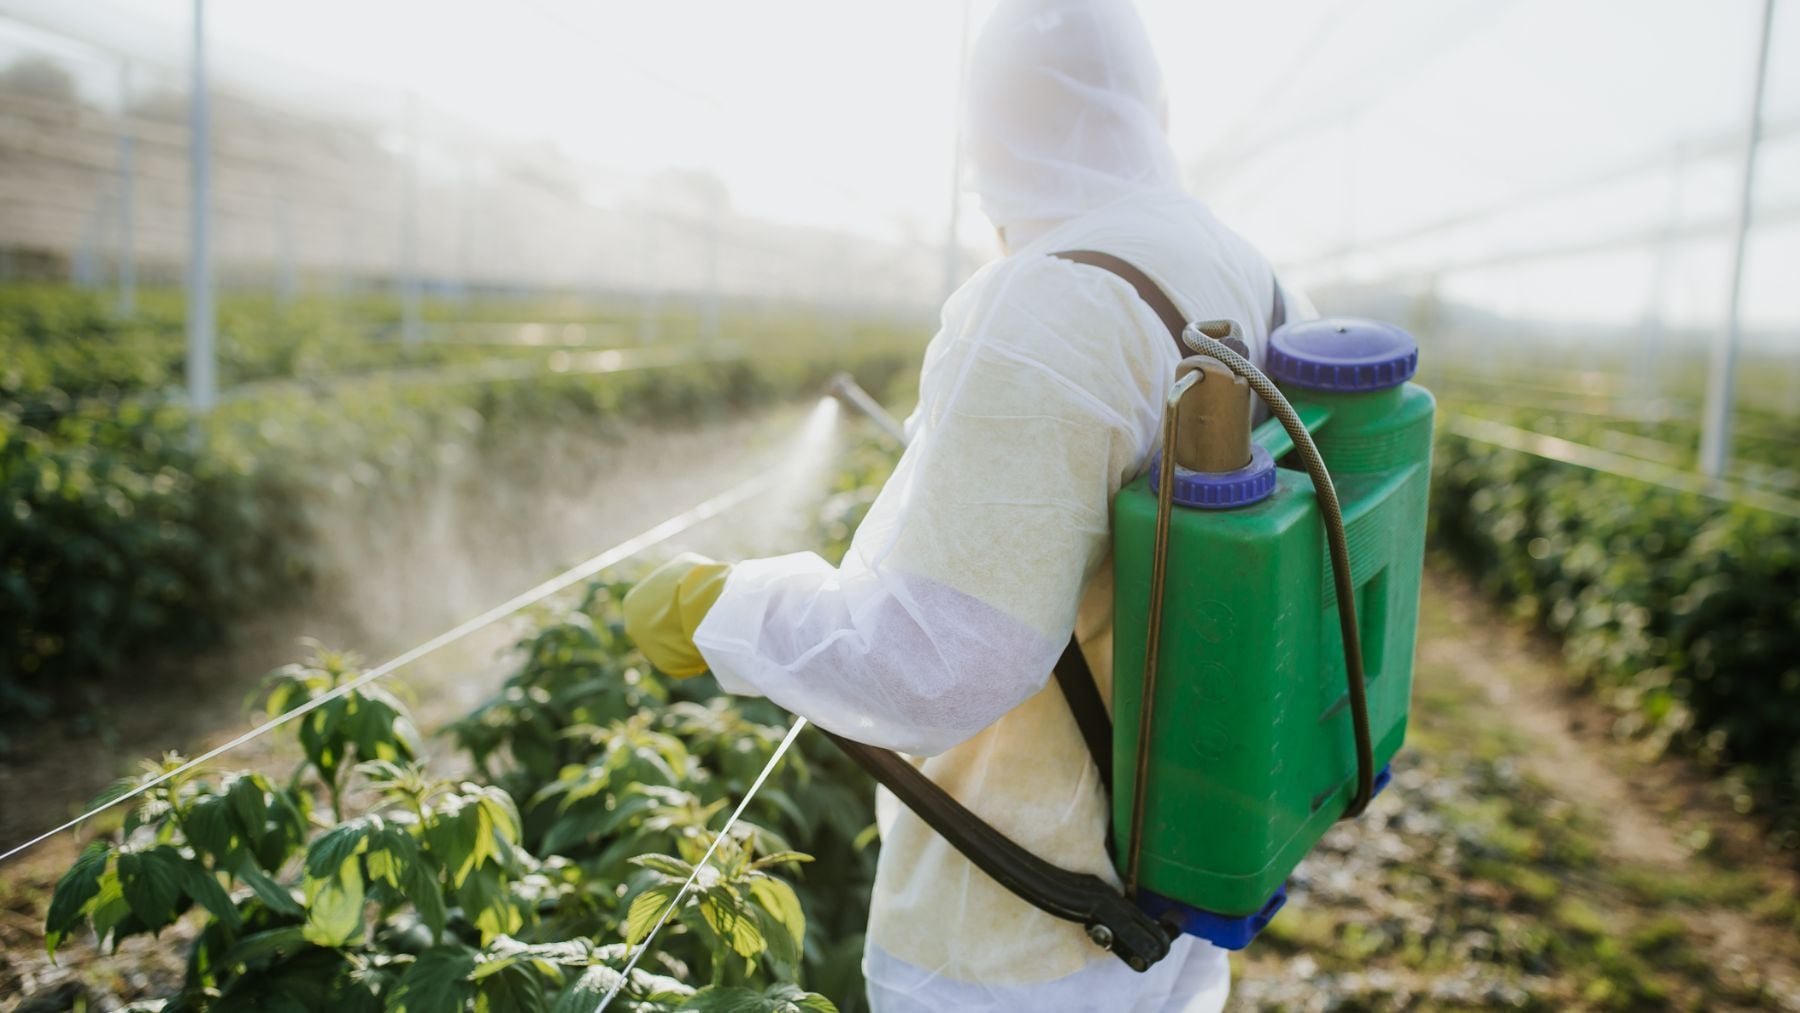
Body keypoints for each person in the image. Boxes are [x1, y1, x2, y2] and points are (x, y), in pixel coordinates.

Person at [624, 0, 1310, 1008]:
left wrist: (724, 608)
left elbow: (942, 659)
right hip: (1176, 870)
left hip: (1023, 931)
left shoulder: (1050, 303)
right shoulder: (1237, 263)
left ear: (984, 130)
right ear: (1151, 107)